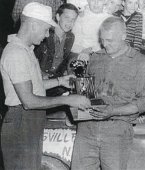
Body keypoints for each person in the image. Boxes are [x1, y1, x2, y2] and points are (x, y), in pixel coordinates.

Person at [0, 2, 90, 170]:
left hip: (29, 120)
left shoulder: (26, 50)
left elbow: (35, 86)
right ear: (33, 25)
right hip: (22, 120)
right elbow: (29, 101)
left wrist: (59, 81)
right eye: (46, 29)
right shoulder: (16, 53)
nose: (48, 35)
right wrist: (68, 100)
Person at [71, 17, 145, 170]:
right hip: (86, 129)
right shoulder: (95, 58)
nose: (105, 44)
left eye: (110, 40)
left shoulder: (140, 62)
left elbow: (144, 101)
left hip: (117, 131)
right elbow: (87, 93)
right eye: (102, 40)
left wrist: (113, 111)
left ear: (123, 35)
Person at [35, 3, 79, 98]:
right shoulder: (45, 34)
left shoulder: (70, 37)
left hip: (57, 80)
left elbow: (64, 59)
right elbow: (33, 59)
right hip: (39, 80)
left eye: (73, 20)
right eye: (67, 18)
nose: (70, 22)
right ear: (58, 17)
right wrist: (42, 74)